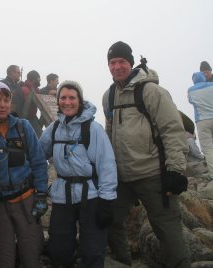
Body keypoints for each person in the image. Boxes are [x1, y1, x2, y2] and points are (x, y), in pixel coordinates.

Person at [102, 41, 190, 267]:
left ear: (131, 63)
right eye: (112, 62)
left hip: (153, 174)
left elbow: (172, 130)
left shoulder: (151, 91)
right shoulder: (109, 95)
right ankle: (123, 262)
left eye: (121, 61)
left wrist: (176, 170)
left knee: (168, 229)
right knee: (111, 221)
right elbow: (109, 131)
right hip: (121, 177)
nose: (116, 67)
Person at [40, 80, 117, 268]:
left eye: (72, 98)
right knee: (59, 248)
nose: (67, 102)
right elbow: (37, 155)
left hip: (90, 195)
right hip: (62, 195)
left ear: (80, 100)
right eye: (63, 98)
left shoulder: (93, 129)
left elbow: (107, 166)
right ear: (58, 101)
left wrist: (107, 201)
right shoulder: (54, 129)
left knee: (92, 250)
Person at [0, 82, 48, 268]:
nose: (3, 105)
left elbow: (38, 162)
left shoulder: (23, 127)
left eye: (6, 99)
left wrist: (41, 194)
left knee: (32, 254)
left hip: (26, 201)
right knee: (2, 259)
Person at [188, 71, 213, 180]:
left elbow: (190, 101)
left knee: (208, 148)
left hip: (202, 121)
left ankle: (212, 174)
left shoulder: (191, 90)